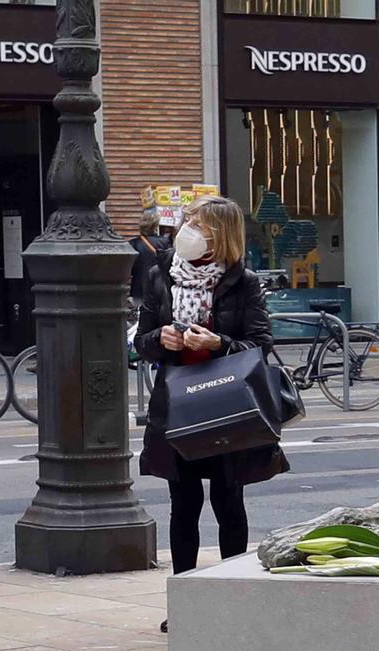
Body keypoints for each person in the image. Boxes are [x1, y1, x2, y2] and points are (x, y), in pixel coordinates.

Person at [137, 196, 288, 626]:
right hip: (177, 405)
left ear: (219, 233)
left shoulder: (244, 282)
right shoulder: (160, 274)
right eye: (187, 219)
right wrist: (159, 340)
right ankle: (184, 606)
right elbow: (141, 339)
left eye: (197, 222)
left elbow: (260, 343)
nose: (187, 227)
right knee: (182, 505)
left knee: (228, 501)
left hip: (226, 406)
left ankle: (232, 599)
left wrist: (217, 344)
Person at [129, 206, 167, 302]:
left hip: (139, 288)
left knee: (141, 314)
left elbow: (129, 269)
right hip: (161, 287)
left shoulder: (133, 244)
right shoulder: (166, 242)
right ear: (155, 226)